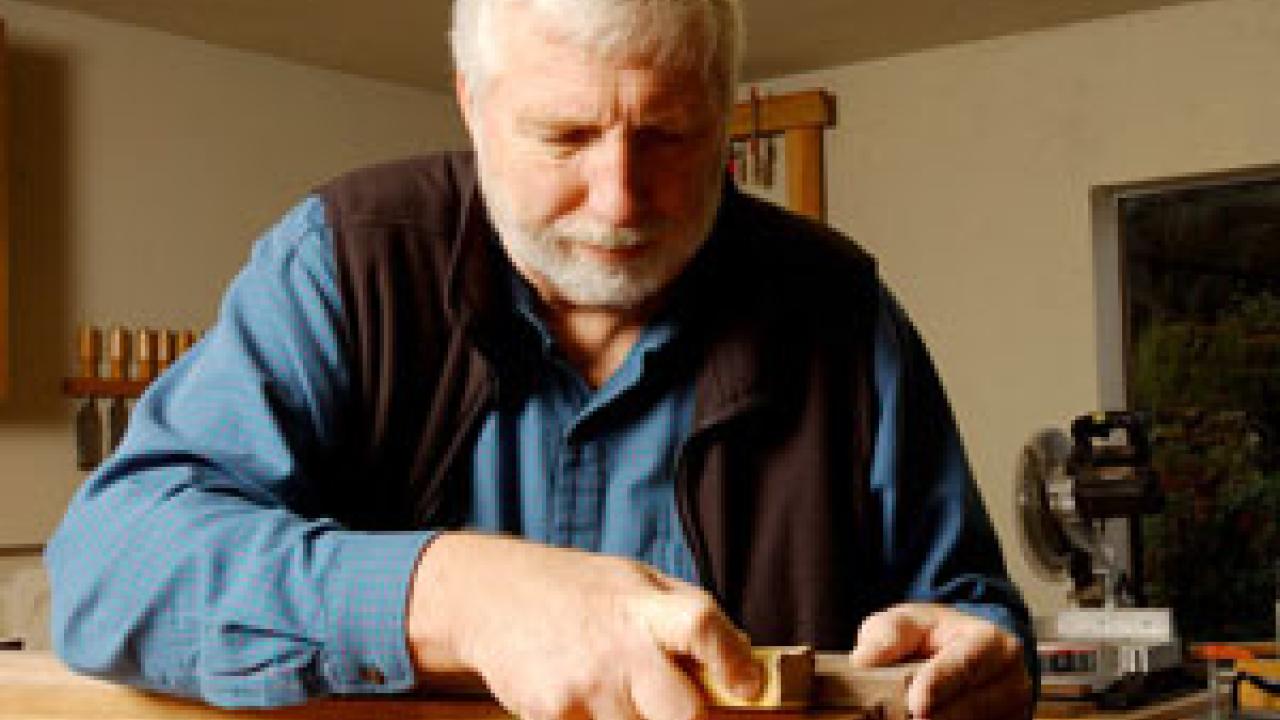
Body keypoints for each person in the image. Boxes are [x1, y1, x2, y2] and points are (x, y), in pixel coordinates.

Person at [46, 1, 1036, 718]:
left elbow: (973, 615)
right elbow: (111, 569)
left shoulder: (840, 312)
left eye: (668, 136)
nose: (620, 198)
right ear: (472, 106)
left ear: (725, 112)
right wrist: (459, 595)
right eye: (564, 137)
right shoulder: (345, 262)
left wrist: (985, 660)